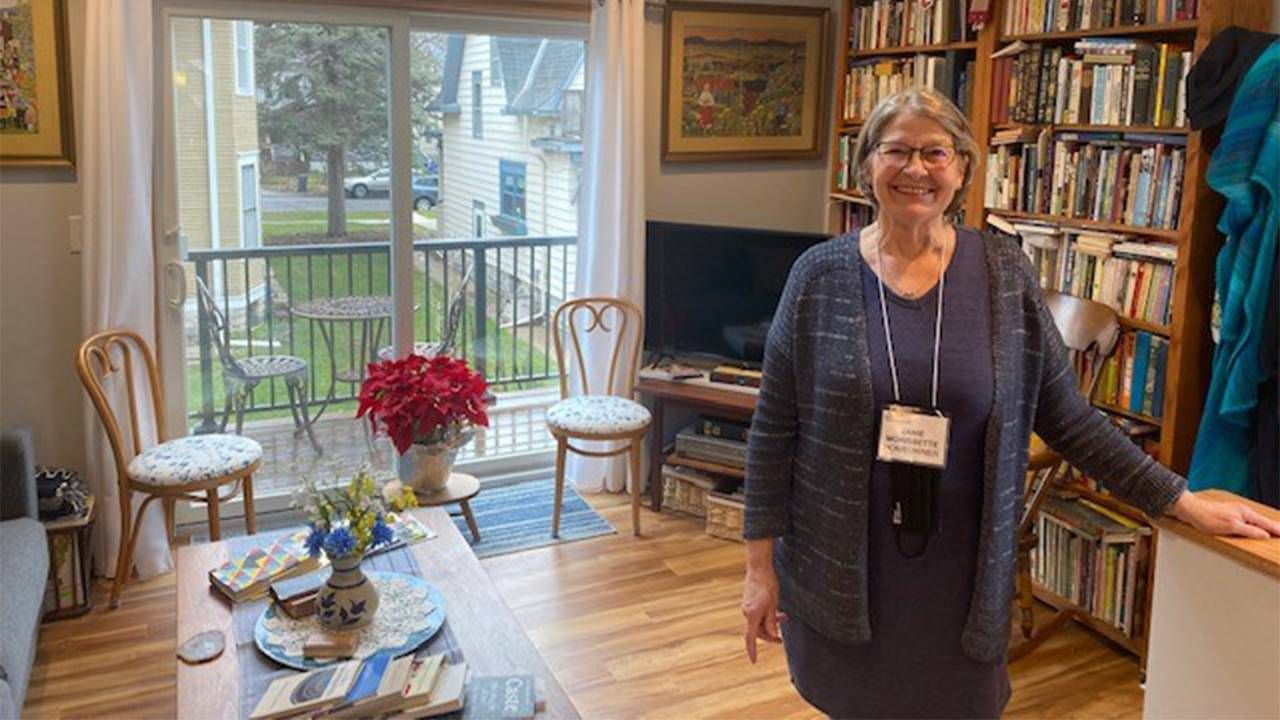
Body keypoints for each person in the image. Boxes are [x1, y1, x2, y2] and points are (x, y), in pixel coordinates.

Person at [740, 87, 1280, 719]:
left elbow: (1069, 418)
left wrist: (1180, 499)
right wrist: (759, 570)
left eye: (935, 152)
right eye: (897, 151)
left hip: (964, 581)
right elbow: (773, 431)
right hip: (844, 573)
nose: (916, 169)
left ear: (963, 168)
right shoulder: (818, 276)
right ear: (866, 166)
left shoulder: (1003, 273)